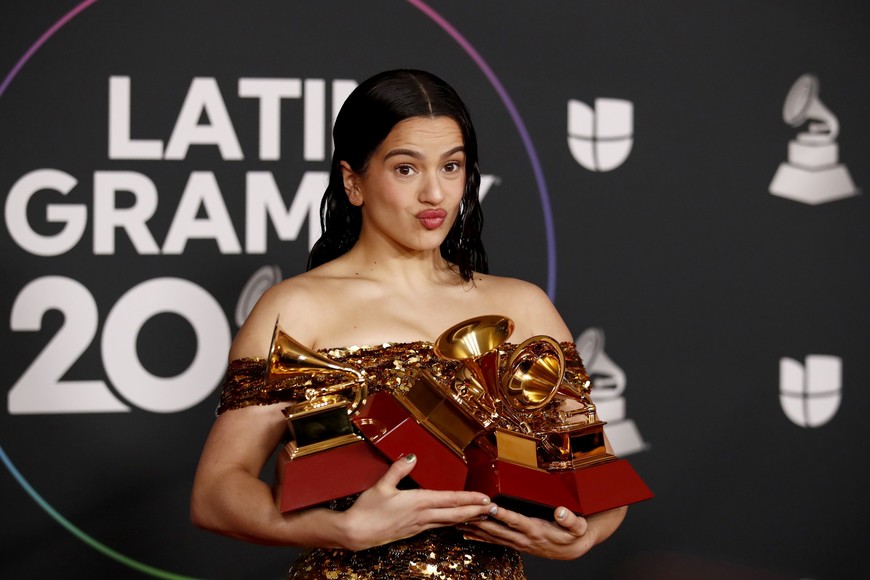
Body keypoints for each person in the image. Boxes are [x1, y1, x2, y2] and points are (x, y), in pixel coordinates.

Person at [190, 69, 626, 579]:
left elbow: (598, 469)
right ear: (353, 181)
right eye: (405, 169)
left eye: (451, 166)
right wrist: (340, 529)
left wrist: (584, 536)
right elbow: (216, 493)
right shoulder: (296, 308)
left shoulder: (523, 306)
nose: (434, 193)